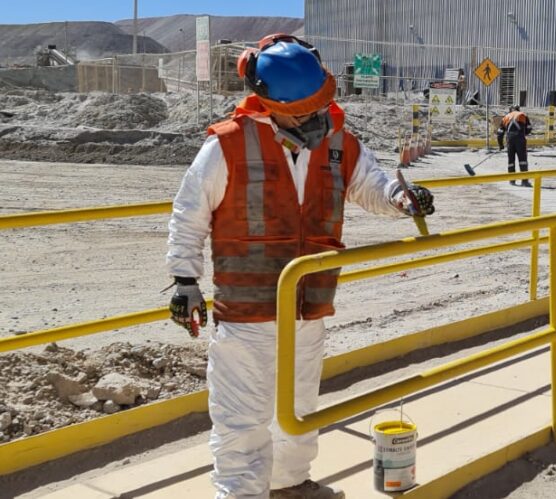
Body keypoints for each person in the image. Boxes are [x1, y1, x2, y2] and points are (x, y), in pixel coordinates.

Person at [165, 33, 435, 499]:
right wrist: (185, 279)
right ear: (267, 101)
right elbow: (190, 211)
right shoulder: (227, 145)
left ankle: (290, 484)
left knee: (299, 406)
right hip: (247, 315)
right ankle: (241, 493)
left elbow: (369, 184)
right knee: (241, 418)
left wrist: (401, 198)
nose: (312, 117)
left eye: (317, 105)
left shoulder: (337, 141)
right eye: (301, 110)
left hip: (308, 308)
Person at [497, 105, 532, 186]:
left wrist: (501, 145)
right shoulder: (522, 115)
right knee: (523, 161)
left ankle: (512, 181)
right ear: (518, 109)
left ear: (510, 110)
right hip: (520, 140)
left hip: (510, 141)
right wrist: (523, 133)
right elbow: (529, 128)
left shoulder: (506, 117)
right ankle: (524, 181)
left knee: (511, 161)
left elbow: (500, 133)